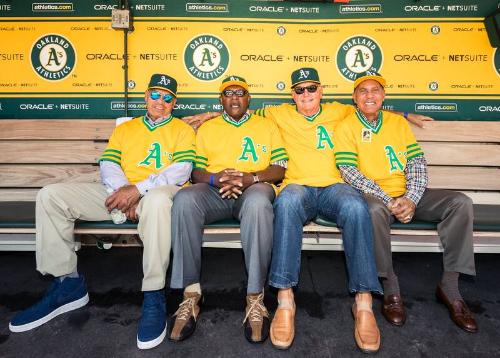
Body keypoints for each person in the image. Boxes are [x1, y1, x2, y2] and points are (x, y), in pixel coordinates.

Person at [8, 74, 196, 350]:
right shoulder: (126, 129)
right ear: (146, 96)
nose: (160, 101)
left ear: (174, 103)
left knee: (157, 202)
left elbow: (180, 171)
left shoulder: (182, 130)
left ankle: (154, 292)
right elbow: (109, 163)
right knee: (51, 196)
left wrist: (137, 191)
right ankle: (68, 284)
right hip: (118, 192)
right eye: (155, 94)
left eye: (167, 97)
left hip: (156, 193)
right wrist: (123, 192)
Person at [334, 71, 477, 333]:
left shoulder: (397, 124)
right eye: (362, 91)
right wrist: (390, 200)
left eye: (375, 90)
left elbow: (416, 162)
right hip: (376, 196)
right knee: (373, 211)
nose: (369, 95)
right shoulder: (346, 125)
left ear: (383, 96)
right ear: (354, 98)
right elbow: (349, 171)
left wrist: (410, 198)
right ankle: (389, 284)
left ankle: (450, 285)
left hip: (408, 194)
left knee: (460, 202)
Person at [168, 76, 288, 344]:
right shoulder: (208, 129)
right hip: (215, 191)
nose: (234, 98)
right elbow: (196, 170)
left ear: (249, 99)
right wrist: (216, 179)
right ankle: (190, 295)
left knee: (258, 202)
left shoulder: (267, 125)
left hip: (255, 187)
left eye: (240, 93)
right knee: (185, 200)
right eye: (228, 93)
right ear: (220, 100)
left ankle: (255, 297)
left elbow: (279, 168)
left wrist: (250, 178)